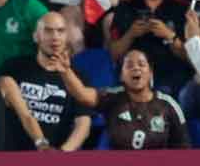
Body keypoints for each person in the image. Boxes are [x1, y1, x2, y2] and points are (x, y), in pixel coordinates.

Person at [53, 48, 190, 149]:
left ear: (150, 73)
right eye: (129, 65)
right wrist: (66, 71)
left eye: (141, 64)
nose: (136, 68)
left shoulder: (168, 105)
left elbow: (183, 150)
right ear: (121, 76)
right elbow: (82, 94)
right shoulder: (113, 97)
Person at [0, 12, 92, 151]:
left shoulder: (78, 78)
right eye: (48, 31)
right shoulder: (13, 68)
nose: (55, 37)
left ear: (67, 37)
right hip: (13, 156)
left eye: (60, 31)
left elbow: (83, 125)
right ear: (36, 36)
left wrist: (63, 153)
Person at [108, 0, 192, 93]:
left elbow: (190, 56)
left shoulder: (182, 7)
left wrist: (169, 36)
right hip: (134, 75)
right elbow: (114, 54)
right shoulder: (126, 6)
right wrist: (130, 35)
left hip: (171, 76)